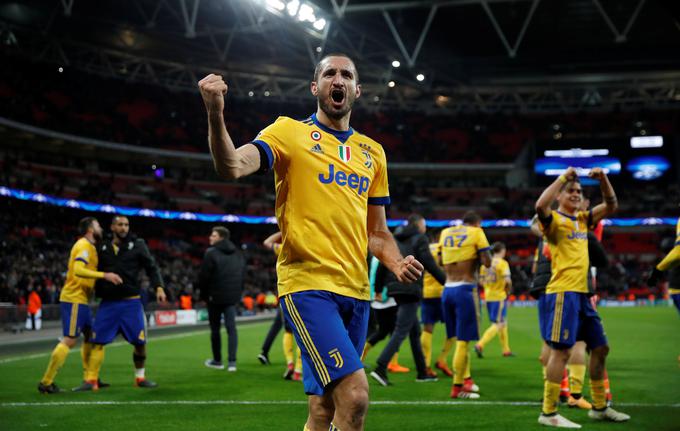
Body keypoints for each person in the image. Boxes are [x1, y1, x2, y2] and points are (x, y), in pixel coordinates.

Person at [198, 53, 423, 431]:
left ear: (357, 90)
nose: (339, 80)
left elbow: (378, 232)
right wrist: (215, 114)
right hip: (308, 286)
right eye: (330, 73)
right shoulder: (288, 132)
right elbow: (232, 165)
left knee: (322, 409)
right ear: (315, 87)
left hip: (356, 292)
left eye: (347, 75)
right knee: (355, 396)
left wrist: (395, 261)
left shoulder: (373, 153)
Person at [535, 167, 629, 428]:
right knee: (562, 353)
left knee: (600, 348)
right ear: (561, 196)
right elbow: (540, 204)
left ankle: (599, 407)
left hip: (584, 295)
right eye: (571, 191)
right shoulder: (552, 220)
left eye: (579, 191)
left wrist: (603, 180)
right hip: (563, 294)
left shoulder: (583, 220)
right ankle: (548, 412)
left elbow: (611, 205)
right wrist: (563, 178)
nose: (576, 194)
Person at [38, 217, 123, 394]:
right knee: (70, 339)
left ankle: (89, 378)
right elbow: (78, 270)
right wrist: (104, 275)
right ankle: (46, 382)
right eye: (98, 225)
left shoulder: (91, 247)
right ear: (90, 230)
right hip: (73, 299)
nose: (101, 228)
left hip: (82, 300)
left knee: (91, 337)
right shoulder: (83, 245)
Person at [85, 215, 167, 390]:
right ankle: (91, 380)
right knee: (97, 342)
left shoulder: (138, 245)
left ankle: (140, 378)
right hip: (108, 303)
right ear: (112, 227)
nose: (124, 228)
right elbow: (92, 270)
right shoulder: (102, 246)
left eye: (126, 225)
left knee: (140, 343)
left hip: (131, 303)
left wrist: (159, 287)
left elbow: (152, 267)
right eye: (120, 225)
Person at [369, 214, 446, 386]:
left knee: (414, 332)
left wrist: (380, 288)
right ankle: (381, 367)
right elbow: (429, 263)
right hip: (410, 287)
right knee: (401, 330)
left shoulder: (395, 238)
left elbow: (384, 262)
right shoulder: (420, 238)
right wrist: (446, 282)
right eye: (424, 225)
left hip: (395, 287)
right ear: (419, 225)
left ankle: (422, 372)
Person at [439, 211, 491, 400]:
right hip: (465, 290)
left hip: (447, 289)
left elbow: (439, 261)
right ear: (477, 223)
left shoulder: (445, 233)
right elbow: (487, 262)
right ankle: (457, 387)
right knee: (464, 341)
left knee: (459, 340)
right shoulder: (476, 233)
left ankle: (466, 379)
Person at [198, 226, 245, 372]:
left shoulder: (211, 253)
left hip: (214, 297)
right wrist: (237, 294)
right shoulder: (238, 253)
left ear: (221, 237)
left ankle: (217, 361)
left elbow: (204, 277)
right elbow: (242, 275)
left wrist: (204, 296)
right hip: (232, 297)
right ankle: (232, 363)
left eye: (213, 235)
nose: (210, 238)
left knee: (215, 329)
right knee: (232, 329)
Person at [420, 235, 455, 377]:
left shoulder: (424, 249)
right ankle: (442, 359)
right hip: (443, 292)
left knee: (427, 329)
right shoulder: (443, 247)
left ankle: (426, 365)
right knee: (453, 329)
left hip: (427, 293)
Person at [475, 242, 513, 357]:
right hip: (499, 296)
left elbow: (481, 282)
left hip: (488, 296)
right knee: (498, 324)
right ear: (502, 251)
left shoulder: (484, 265)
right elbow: (508, 281)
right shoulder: (503, 263)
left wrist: (488, 286)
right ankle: (480, 344)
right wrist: (507, 290)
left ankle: (506, 350)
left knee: (502, 322)